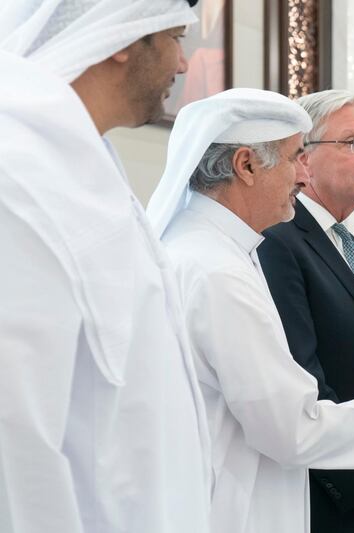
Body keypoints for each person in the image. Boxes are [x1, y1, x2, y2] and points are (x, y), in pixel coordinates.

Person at [146, 89, 354, 533]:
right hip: (235, 507)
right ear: (247, 165)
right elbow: (289, 425)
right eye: (295, 157)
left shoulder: (216, 250)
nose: (303, 174)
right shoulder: (217, 270)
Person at [0, 2, 211, 532]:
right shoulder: (18, 179)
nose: (183, 65)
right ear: (123, 37)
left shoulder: (81, 163)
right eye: (174, 38)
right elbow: (14, 451)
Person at [257, 90, 354, 533]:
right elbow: (301, 378)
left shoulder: (347, 243)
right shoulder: (280, 240)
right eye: (352, 144)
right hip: (314, 498)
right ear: (302, 159)